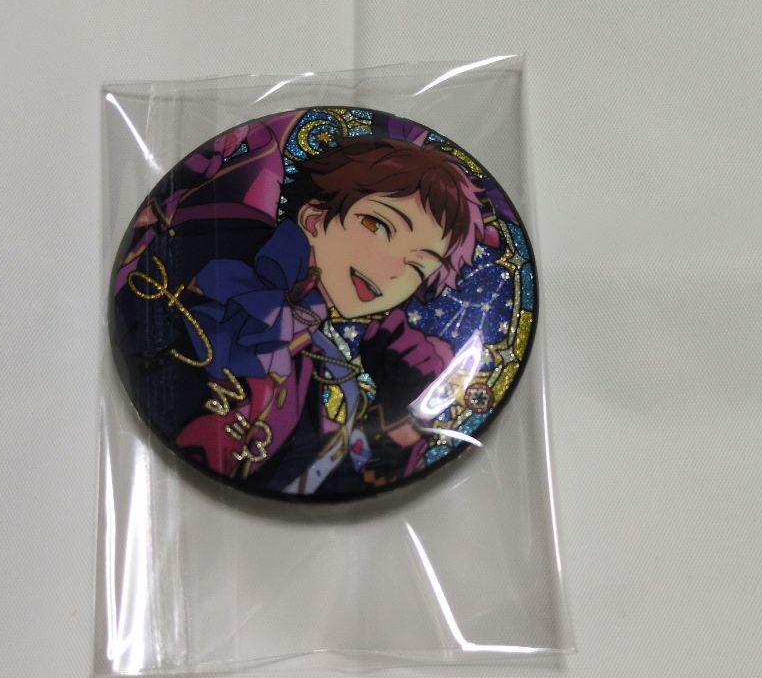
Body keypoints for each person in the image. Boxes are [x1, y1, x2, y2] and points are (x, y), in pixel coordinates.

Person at [111, 118, 499, 497]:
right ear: (314, 218)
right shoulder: (215, 247)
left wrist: (404, 416)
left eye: (417, 267)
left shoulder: (327, 379)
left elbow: (313, 481)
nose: (391, 270)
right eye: (377, 226)